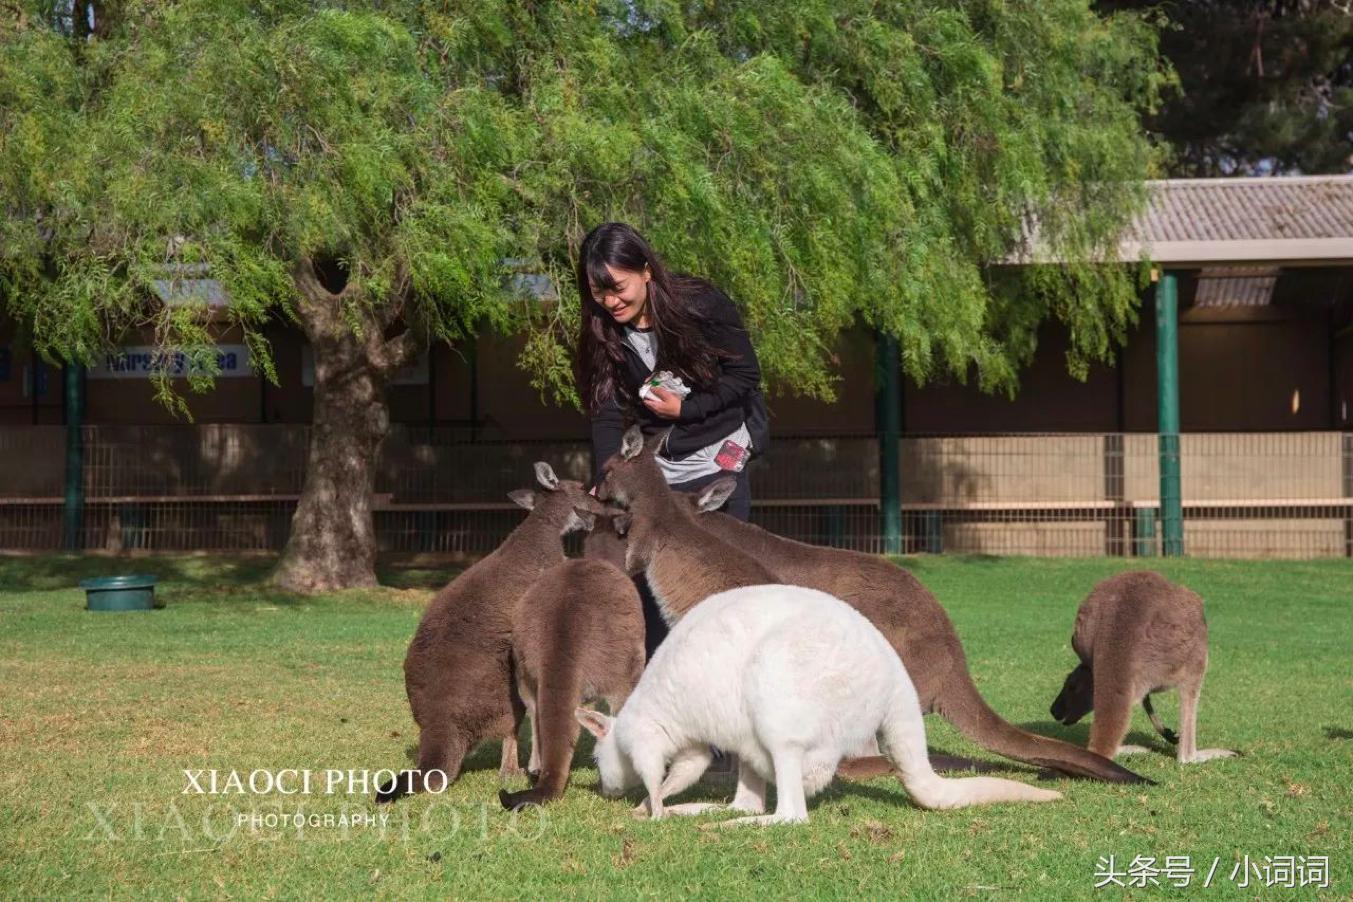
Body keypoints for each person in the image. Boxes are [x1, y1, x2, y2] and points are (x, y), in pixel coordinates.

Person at [577, 221, 768, 655]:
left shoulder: (701, 304)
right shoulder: (602, 329)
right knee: (652, 586)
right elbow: (605, 409)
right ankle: (660, 680)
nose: (610, 302)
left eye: (618, 288)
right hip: (659, 467)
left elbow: (745, 376)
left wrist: (687, 410)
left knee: (722, 584)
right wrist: (606, 473)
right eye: (598, 292)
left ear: (646, 270)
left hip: (718, 454)